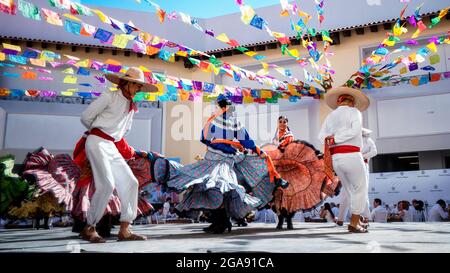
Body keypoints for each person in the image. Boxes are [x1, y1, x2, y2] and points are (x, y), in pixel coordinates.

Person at [161, 94, 288, 234]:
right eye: (223, 106)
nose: (223, 108)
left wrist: (255, 150)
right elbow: (208, 139)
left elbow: (206, 139)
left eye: (222, 106)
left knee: (217, 187)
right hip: (213, 160)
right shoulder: (219, 121)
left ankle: (221, 222)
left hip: (222, 161)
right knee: (209, 187)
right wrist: (247, 148)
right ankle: (219, 221)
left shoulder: (223, 122)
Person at [78, 67, 157, 243]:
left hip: (111, 145)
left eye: (139, 86)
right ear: (125, 83)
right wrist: (96, 131)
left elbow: (122, 133)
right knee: (106, 184)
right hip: (97, 141)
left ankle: (125, 229)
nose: (138, 89)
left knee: (131, 182)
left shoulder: (131, 106)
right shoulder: (109, 96)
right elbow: (86, 117)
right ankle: (89, 228)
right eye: (136, 85)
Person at [264, 116, 341, 230]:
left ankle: (289, 220)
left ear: (287, 123)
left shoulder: (289, 136)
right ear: (277, 123)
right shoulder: (275, 136)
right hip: (278, 167)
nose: (282, 123)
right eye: (280, 122)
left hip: (290, 167)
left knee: (291, 196)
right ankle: (280, 220)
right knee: (277, 195)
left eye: (285, 121)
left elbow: (286, 148)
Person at [319, 86, 370, 233]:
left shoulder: (330, 116)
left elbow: (321, 137)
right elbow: (355, 131)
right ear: (352, 102)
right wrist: (338, 138)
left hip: (336, 158)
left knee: (349, 190)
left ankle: (357, 220)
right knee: (361, 188)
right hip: (352, 155)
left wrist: (334, 140)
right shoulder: (354, 112)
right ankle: (354, 223)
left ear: (339, 102)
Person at [360, 128, 377, 224]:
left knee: (364, 190)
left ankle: (367, 215)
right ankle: (364, 215)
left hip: (364, 164)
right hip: (355, 164)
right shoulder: (355, 141)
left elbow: (374, 152)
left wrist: (363, 156)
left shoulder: (369, 141)